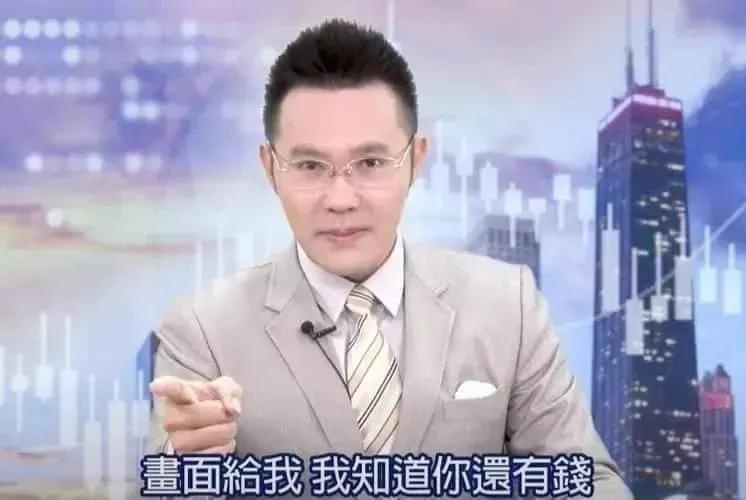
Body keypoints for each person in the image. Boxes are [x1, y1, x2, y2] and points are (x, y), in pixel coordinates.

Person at [148, 18, 633, 498]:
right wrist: (187, 468)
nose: (341, 199)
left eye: (371, 163)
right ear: (270, 168)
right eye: (311, 165)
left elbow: (590, 482)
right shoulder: (204, 329)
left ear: (416, 160)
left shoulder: (509, 306)